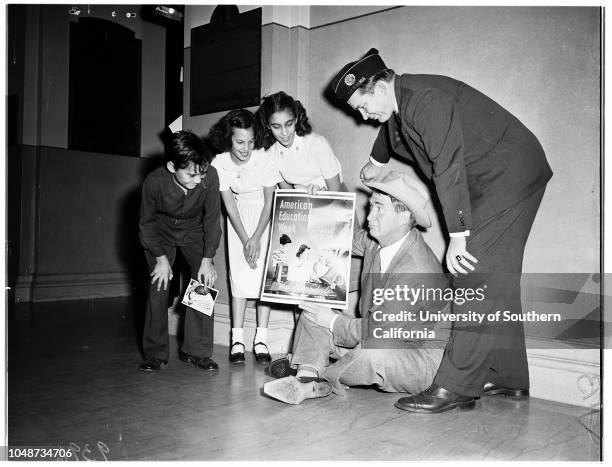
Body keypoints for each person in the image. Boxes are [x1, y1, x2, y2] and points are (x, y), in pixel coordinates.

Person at [329, 48, 553, 412]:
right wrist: (375, 160)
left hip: (508, 176)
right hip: (496, 182)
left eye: (363, 105)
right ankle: (508, 378)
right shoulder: (401, 106)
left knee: (472, 276)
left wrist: (459, 237)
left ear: (381, 85)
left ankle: (456, 386)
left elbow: (447, 166)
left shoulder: (425, 101)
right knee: (497, 283)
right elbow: (391, 133)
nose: (363, 115)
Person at [263, 171, 451, 405]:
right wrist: (321, 203)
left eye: (379, 208)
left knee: (372, 352)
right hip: (380, 335)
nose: (369, 215)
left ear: (404, 217)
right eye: (371, 206)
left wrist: (331, 321)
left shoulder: (417, 269)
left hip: (419, 356)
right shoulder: (378, 240)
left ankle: (319, 375)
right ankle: (306, 375)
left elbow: (377, 332)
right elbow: (343, 235)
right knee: (314, 309)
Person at [138, 130, 221, 371]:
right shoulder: (153, 182)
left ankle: (196, 351)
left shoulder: (210, 176)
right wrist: (160, 259)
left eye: (202, 173)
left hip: (193, 231)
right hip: (160, 234)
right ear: (172, 166)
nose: (199, 179)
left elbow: (213, 219)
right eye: (192, 174)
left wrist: (208, 259)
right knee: (159, 285)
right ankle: (155, 353)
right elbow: (146, 224)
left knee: (204, 283)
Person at [209, 109, 281, 364]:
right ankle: (237, 340)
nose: (246, 148)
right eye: (240, 141)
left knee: (264, 281)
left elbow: (270, 200)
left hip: (264, 220)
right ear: (229, 138)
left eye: (250, 141)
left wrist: (257, 237)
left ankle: (261, 340)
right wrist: (245, 239)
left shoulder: (264, 158)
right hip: (237, 221)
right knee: (239, 279)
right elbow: (229, 204)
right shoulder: (219, 163)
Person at [255, 91, 344, 192]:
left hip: (334, 197)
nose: (284, 133)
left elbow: (336, 191)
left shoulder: (317, 144)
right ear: (268, 126)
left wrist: (321, 196)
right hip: (301, 204)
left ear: (296, 119)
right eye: (276, 127)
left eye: (289, 124)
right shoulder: (271, 155)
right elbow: (288, 196)